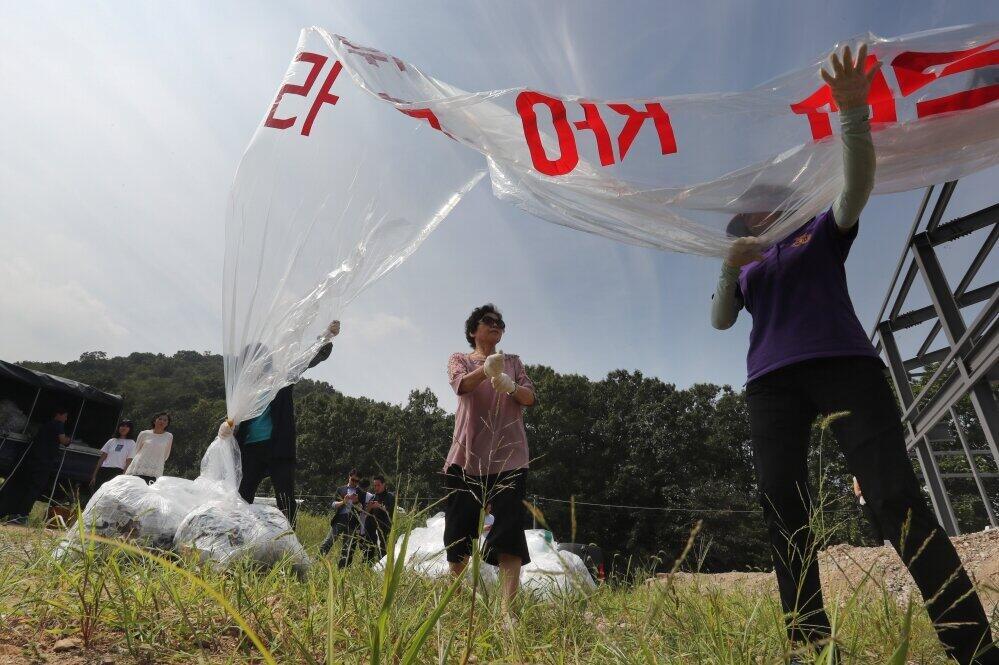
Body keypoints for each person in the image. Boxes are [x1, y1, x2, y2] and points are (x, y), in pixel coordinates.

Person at [710, 44, 996, 664]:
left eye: (758, 202)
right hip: (771, 385)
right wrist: (728, 270)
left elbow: (856, 188)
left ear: (780, 204)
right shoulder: (749, 264)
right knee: (782, 504)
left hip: (845, 365)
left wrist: (852, 115)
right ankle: (810, 648)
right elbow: (721, 321)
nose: (748, 211)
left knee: (893, 496)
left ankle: (972, 647)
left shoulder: (817, 233)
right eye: (743, 211)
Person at [444, 303, 536, 617]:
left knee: (509, 532)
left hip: (510, 459)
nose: (495, 325)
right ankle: (456, 605)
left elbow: (530, 398)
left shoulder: (514, 362)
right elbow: (461, 385)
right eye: (488, 321)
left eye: (500, 322)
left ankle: (506, 612)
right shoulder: (460, 359)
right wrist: (485, 370)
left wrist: (510, 385)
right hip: (466, 458)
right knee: (458, 534)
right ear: (474, 330)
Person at [225, 321, 339, 526]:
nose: (255, 362)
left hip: (278, 446)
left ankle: (288, 542)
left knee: (285, 498)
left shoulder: (280, 378)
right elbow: (235, 420)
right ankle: (238, 535)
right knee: (242, 496)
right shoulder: (243, 389)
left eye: (259, 357)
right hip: (251, 449)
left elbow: (306, 361)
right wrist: (227, 429)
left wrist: (326, 337)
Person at [0, 406, 72, 524]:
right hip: (42, 463)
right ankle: (22, 515)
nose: (66, 419)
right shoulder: (58, 424)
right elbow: (64, 441)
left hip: (32, 461)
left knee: (23, 487)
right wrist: (69, 440)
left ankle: (13, 513)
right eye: (65, 416)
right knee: (34, 489)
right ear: (59, 415)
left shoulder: (45, 425)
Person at [320, 469, 368, 567]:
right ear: (349, 477)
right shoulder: (340, 489)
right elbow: (333, 504)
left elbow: (362, 509)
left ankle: (341, 570)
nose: (354, 483)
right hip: (340, 519)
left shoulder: (361, 493)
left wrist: (356, 502)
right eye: (353, 480)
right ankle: (316, 560)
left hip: (353, 522)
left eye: (357, 481)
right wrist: (343, 502)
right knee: (328, 541)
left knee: (347, 548)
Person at [126, 413, 173, 484]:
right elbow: (136, 451)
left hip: (155, 470)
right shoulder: (144, 433)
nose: (162, 421)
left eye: (165, 420)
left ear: (167, 424)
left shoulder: (169, 436)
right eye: (160, 419)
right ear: (154, 421)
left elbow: (166, 455)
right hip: (138, 467)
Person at [94, 420, 137, 491]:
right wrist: (94, 475)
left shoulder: (132, 443)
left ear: (130, 429)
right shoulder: (111, 441)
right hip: (104, 471)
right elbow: (101, 459)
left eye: (127, 426)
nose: (124, 428)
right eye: (122, 426)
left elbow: (129, 462)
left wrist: (123, 477)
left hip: (117, 473)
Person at [853, 476, 888, 547]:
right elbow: (857, 493)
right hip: (866, 504)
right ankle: (880, 546)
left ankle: (889, 546)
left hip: (878, 501)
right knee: (874, 524)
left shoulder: (873, 472)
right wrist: (868, 489)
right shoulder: (856, 477)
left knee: (885, 523)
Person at [366, 475, 396, 559]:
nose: (376, 488)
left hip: (387, 527)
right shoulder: (373, 497)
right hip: (374, 529)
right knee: (376, 550)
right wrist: (369, 507)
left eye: (378, 485)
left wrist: (379, 506)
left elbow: (389, 510)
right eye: (375, 485)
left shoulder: (390, 496)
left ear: (384, 484)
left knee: (386, 550)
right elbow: (366, 513)